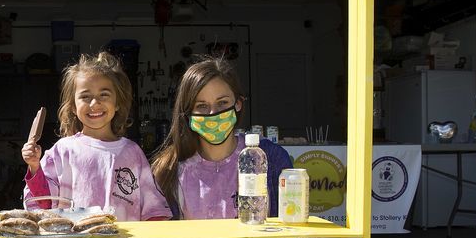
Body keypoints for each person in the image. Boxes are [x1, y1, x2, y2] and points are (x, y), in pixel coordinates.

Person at [21, 52, 171, 221]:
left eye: (104, 95)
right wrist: (34, 166)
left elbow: (154, 210)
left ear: (118, 104)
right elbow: (43, 204)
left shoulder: (132, 152)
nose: (95, 103)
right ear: (72, 106)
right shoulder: (63, 150)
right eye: (85, 96)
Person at [151, 58, 291, 220]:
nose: (213, 114)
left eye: (222, 103)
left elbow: (289, 229)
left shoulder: (271, 158)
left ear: (238, 103)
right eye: (202, 106)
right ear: (188, 114)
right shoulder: (169, 170)